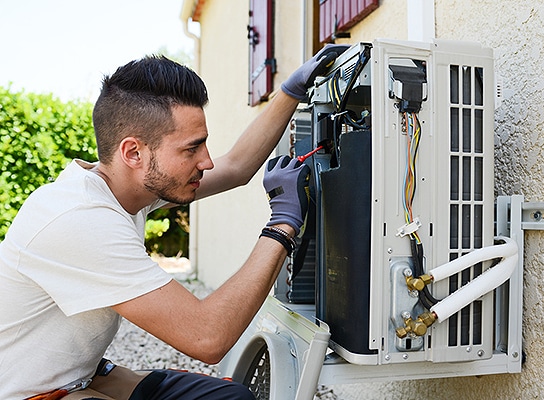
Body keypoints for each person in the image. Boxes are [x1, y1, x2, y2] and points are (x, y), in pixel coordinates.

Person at [0, 44, 348, 400]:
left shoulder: (123, 187)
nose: (207, 161)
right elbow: (207, 337)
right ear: (133, 152)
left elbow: (236, 168)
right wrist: (283, 223)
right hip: (32, 393)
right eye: (191, 149)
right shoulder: (81, 219)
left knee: (232, 398)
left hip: (80, 376)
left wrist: (289, 93)